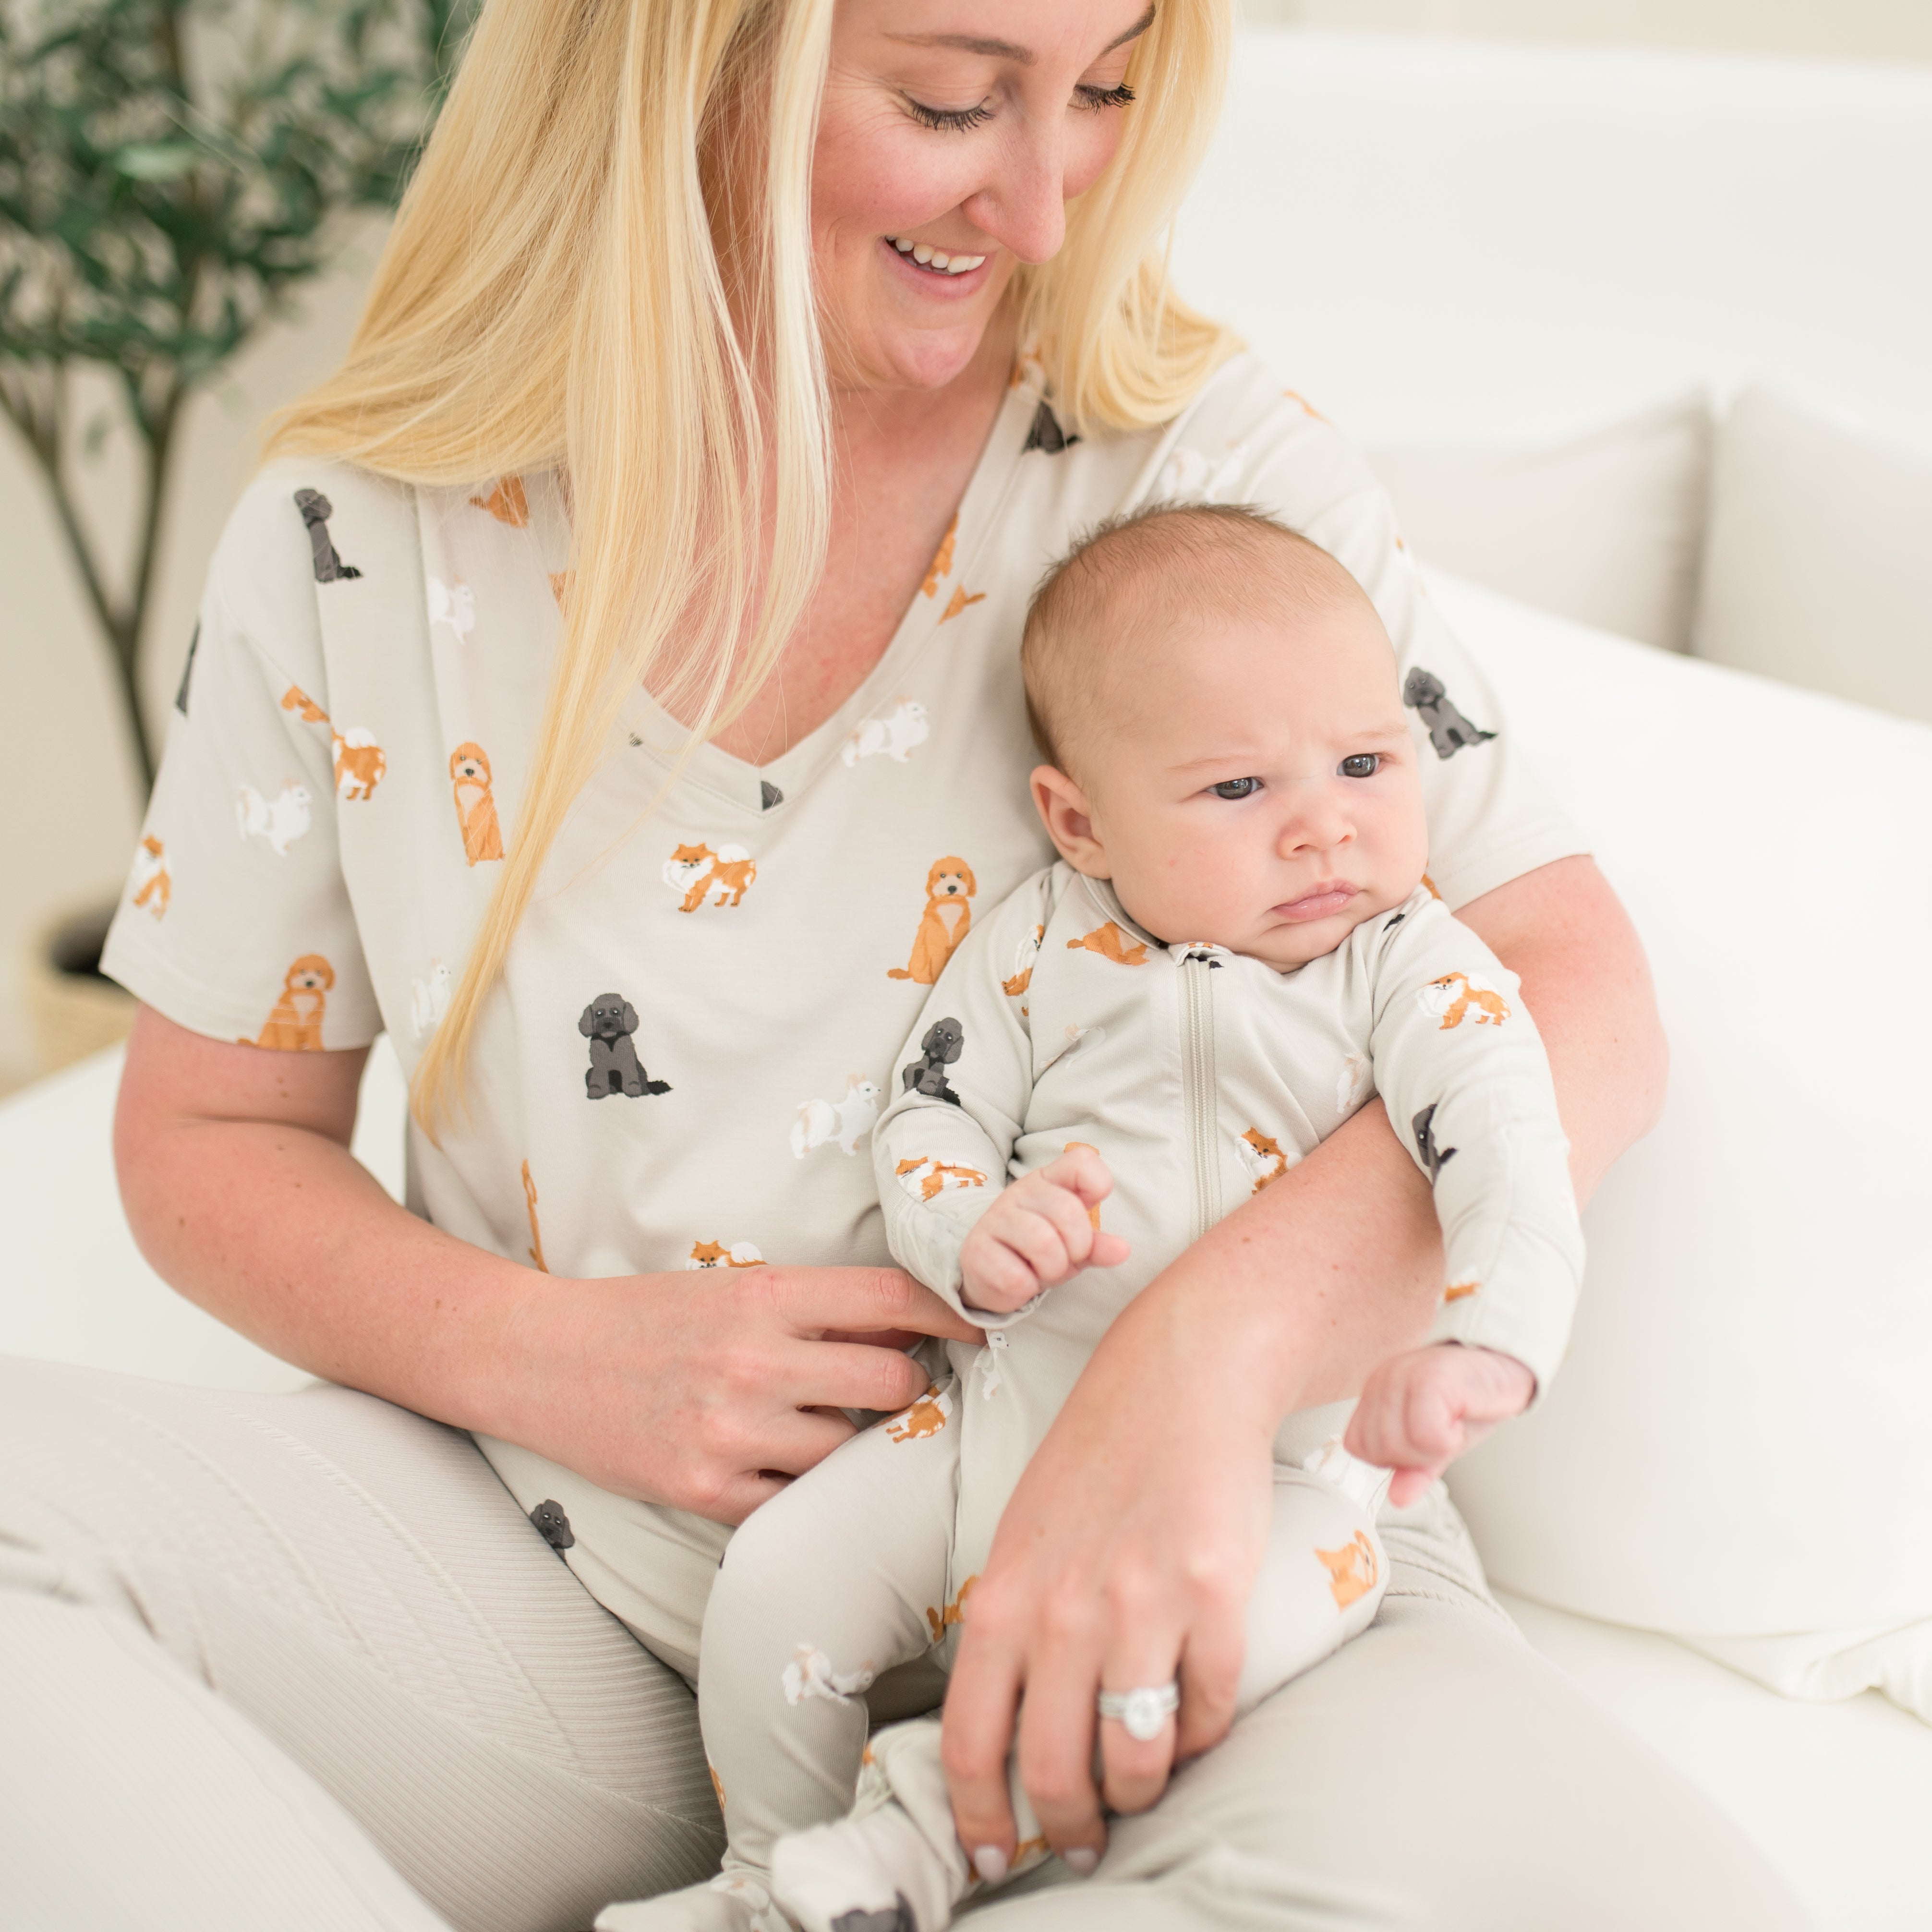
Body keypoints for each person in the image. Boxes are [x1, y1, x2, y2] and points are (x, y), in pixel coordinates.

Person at [0, 0, 1811, 1927]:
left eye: (1105, 92)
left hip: (1198, 1587)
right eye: (954, 101)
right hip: (572, 1588)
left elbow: (1563, 982)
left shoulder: (1191, 481)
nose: (1043, 203)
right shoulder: (359, 535)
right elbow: (207, 1128)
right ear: (689, 65)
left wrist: (1198, 1365)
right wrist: (548, 1356)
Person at [625, 503, 1584, 1932]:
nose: (1326, 822)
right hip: (993, 1427)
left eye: (1367, 764)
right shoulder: (1038, 944)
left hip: (1286, 1482)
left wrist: (1488, 1343)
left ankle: (922, 1844)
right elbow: (933, 1117)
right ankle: (765, 1874)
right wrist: (973, 1231)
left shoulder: (1410, 967)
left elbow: (1511, 1145)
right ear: (1082, 820)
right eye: (1241, 788)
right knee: (776, 1584)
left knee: (1231, 1639)